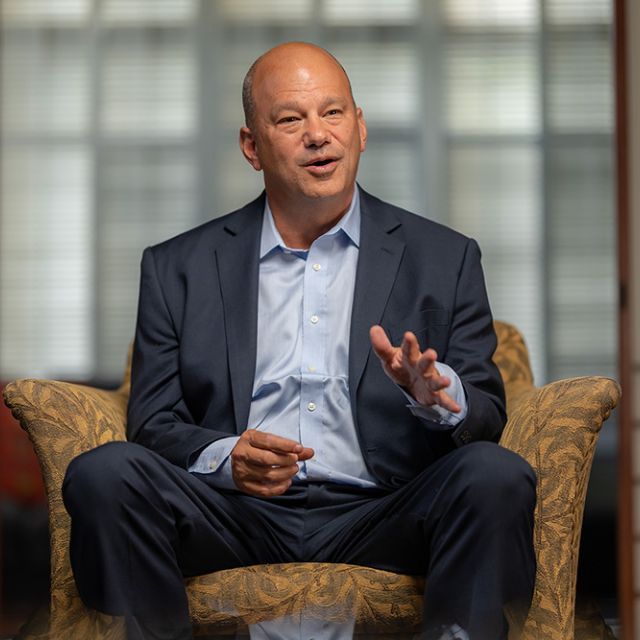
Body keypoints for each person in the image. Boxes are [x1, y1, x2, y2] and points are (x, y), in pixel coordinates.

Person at [62, 42, 536, 640]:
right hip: (232, 514)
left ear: (360, 129)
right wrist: (226, 457)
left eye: (333, 113)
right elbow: (153, 422)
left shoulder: (445, 257)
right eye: (291, 119)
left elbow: (488, 414)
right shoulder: (177, 266)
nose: (318, 135)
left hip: (384, 508)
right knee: (103, 473)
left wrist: (437, 395)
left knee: (494, 474)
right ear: (252, 146)